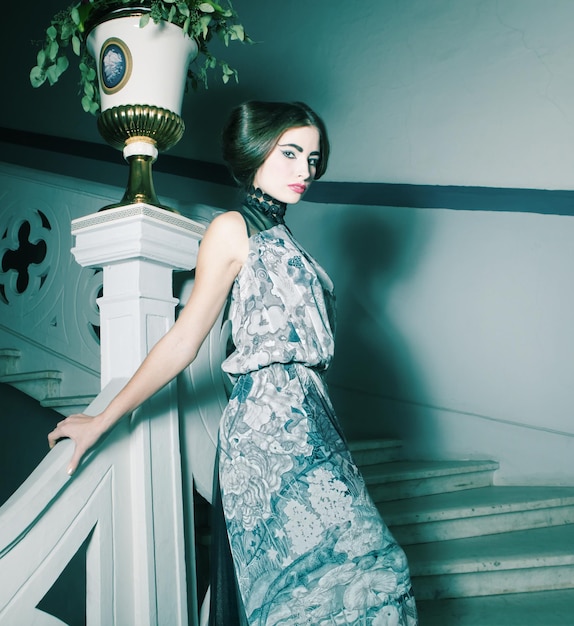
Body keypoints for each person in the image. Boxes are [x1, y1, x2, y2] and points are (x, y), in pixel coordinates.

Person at [48, 101, 418, 626]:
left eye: (312, 159)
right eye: (290, 153)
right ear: (256, 151)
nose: (304, 171)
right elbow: (185, 340)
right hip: (266, 431)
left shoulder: (289, 241)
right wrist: (102, 419)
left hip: (313, 420)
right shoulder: (231, 228)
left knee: (363, 579)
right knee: (341, 582)